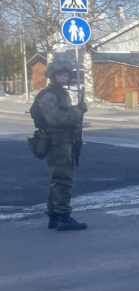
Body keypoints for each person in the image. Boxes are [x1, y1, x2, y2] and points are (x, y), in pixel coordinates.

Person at [30, 62, 87, 230]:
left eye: (66, 75)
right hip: (57, 142)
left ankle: (54, 215)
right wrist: (79, 111)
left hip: (64, 141)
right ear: (52, 76)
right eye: (60, 75)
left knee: (58, 180)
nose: (64, 78)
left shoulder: (60, 93)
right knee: (63, 179)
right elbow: (56, 119)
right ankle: (63, 216)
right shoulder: (50, 95)